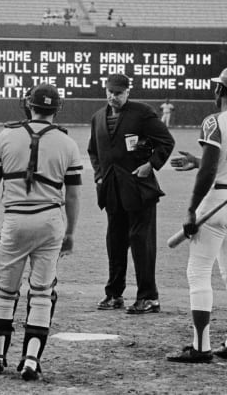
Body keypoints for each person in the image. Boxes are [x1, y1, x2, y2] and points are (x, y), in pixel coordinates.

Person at [0, 84, 82, 381]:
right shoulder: (68, 144)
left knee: (4, 289)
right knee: (41, 292)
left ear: (29, 104)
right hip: (51, 220)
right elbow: (74, 195)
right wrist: (71, 232)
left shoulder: (5, 136)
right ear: (57, 109)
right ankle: (30, 360)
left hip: (15, 219)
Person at [166, 66, 227, 364]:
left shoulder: (214, 121)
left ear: (221, 91)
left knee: (199, 271)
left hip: (218, 201)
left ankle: (201, 346)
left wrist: (192, 209)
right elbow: (221, 162)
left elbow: (209, 171)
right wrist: (198, 160)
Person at [88, 74, 174, 313]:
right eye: (109, 92)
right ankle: (114, 294)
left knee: (141, 243)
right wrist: (98, 175)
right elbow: (93, 151)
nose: (112, 96)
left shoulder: (142, 113)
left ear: (127, 92)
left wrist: (152, 164)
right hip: (112, 190)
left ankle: (148, 297)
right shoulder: (97, 118)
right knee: (115, 243)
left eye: (117, 92)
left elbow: (166, 141)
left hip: (139, 188)